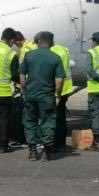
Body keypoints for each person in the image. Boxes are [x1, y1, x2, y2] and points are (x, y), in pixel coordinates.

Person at [20, 31, 64, 161]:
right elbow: (59, 80)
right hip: (47, 96)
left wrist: (24, 90)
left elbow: (22, 76)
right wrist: (58, 94)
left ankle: (33, 151)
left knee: (30, 121)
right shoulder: (55, 57)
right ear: (51, 42)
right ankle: (47, 151)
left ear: (38, 41)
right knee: (48, 122)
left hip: (30, 95)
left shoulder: (29, 55)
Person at [10, 32, 34, 147]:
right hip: (37, 84)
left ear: (18, 41)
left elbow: (23, 72)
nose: (15, 46)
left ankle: (24, 140)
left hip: (28, 86)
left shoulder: (24, 50)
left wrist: (21, 87)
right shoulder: (33, 45)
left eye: (15, 43)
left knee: (25, 115)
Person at [50, 40, 75, 152]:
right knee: (61, 116)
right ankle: (61, 143)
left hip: (56, 89)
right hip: (66, 88)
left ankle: (53, 143)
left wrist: (56, 93)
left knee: (52, 117)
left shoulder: (50, 52)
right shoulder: (64, 49)